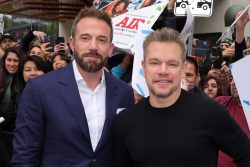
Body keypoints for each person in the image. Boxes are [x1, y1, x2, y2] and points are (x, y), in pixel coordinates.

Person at [11, 7, 135, 167]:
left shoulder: (124, 92)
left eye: (102, 40)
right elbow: (24, 157)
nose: (93, 46)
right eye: (85, 38)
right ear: (72, 43)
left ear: (110, 48)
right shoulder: (40, 89)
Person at [114, 27, 250, 167]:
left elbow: (246, 154)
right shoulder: (125, 121)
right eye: (154, 63)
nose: (163, 71)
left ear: (182, 68)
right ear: (143, 67)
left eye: (172, 64)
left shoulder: (209, 112)